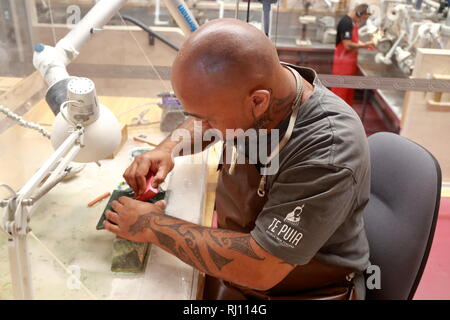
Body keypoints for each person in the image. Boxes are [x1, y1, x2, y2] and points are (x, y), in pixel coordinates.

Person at [104, 18, 371, 300]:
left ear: (258, 101)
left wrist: (152, 226)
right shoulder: (260, 89)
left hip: (301, 289)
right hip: (244, 273)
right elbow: (205, 122)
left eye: (207, 117)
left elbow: (260, 266)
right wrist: (167, 148)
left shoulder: (327, 150)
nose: (201, 124)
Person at [332, 3, 374, 106]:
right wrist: (364, 46)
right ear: (359, 13)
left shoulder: (352, 23)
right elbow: (347, 45)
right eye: (364, 18)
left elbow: (354, 40)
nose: (363, 20)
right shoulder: (346, 23)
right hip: (342, 64)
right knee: (340, 94)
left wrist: (364, 44)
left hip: (349, 63)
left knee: (347, 94)